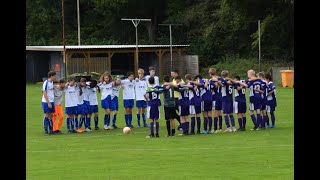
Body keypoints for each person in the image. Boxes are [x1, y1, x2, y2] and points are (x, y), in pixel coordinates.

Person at [41, 71, 56, 135]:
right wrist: (48, 102)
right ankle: (46, 130)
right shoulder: (46, 82)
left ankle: (51, 130)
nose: (55, 77)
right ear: (51, 76)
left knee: (51, 115)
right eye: (54, 76)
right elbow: (44, 92)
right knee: (46, 115)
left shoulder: (51, 82)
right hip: (46, 102)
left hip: (52, 101)